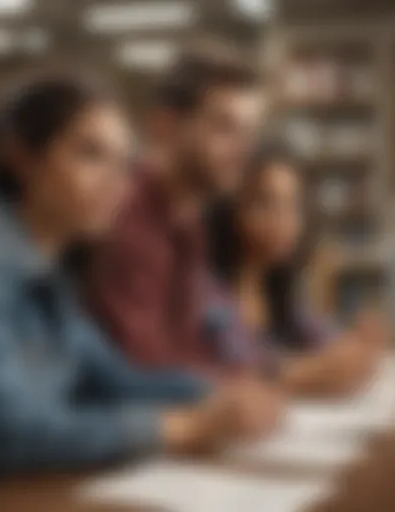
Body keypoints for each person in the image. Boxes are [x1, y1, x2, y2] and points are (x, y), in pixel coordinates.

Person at [0, 71, 278, 494]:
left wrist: (222, 392)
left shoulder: (51, 264)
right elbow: (4, 433)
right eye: (90, 154)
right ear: (23, 156)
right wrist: (180, 427)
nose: (116, 183)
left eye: (123, 164)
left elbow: (117, 379)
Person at [85, 43, 267, 373]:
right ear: (165, 126)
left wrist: (263, 378)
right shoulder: (128, 218)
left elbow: (187, 351)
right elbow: (145, 367)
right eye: (224, 127)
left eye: (248, 133)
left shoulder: (187, 222)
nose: (243, 150)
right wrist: (254, 386)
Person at [208, 142, 386, 396]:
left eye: (292, 205)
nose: (283, 220)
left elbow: (321, 337)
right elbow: (238, 369)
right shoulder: (209, 290)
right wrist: (307, 372)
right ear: (232, 208)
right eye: (265, 204)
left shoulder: (279, 288)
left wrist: (355, 343)